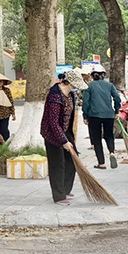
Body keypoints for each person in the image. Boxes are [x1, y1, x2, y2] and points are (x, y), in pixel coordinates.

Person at [40, 69, 87, 205]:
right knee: (57, 164)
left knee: (72, 159)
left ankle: (66, 189)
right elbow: (53, 122)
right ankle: (59, 195)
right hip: (52, 133)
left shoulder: (70, 95)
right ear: (71, 83)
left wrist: (68, 138)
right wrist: (63, 141)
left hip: (65, 130)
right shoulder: (54, 96)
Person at [81, 64, 121, 169]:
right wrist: (116, 110)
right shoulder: (110, 85)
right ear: (103, 75)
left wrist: (85, 115)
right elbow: (117, 98)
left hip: (94, 116)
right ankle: (112, 152)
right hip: (109, 115)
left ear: (93, 75)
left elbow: (85, 102)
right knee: (109, 135)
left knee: (97, 139)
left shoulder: (88, 86)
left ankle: (101, 163)